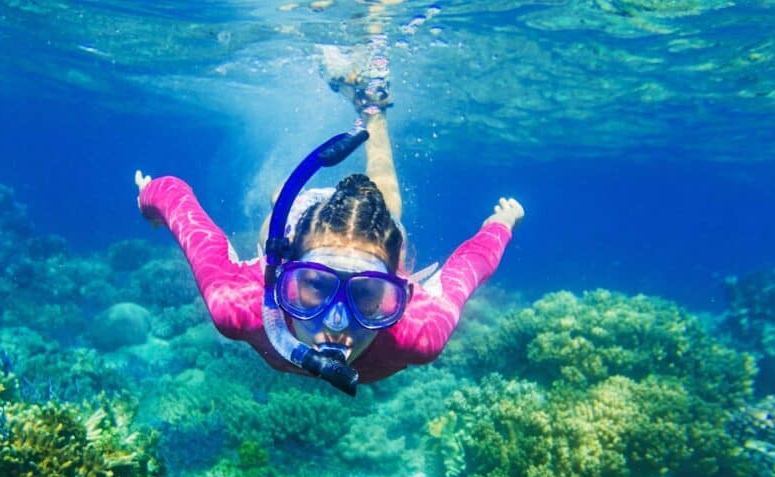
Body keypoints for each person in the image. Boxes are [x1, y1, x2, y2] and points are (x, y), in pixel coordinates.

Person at [135, 54, 523, 395]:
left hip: (360, 234)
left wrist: (501, 224)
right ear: (281, 274)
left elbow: (468, 269)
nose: (337, 322)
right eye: (315, 286)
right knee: (285, 204)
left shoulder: (417, 334)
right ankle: (301, 182)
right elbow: (176, 201)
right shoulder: (242, 304)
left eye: (368, 295)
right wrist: (148, 198)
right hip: (301, 216)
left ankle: (373, 108)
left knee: (386, 202)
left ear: (401, 286)